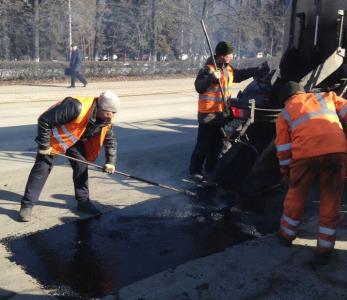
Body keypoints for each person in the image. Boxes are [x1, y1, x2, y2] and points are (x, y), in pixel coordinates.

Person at [19, 91, 120, 222]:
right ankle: (27, 205)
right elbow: (44, 120)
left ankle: (83, 203)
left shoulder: (106, 119)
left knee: (81, 166)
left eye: (115, 113)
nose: (112, 116)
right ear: (101, 107)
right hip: (53, 138)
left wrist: (110, 162)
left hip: (73, 140)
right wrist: (44, 146)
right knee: (42, 169)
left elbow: (110, 139)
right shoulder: (75, 106)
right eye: (110, 112)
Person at [275, 81, 347, 264]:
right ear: (302, 91)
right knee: (331, 199)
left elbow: (283, 148)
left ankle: (286, 235)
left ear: (285, 99)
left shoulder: (284, 114)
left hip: (305, 156)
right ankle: (324, 249)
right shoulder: (327, 96)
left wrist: (286, 172)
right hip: (336, 152)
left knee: (296, 195)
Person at [189, 41, 267, 181]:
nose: (232, 56)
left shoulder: (228, 69)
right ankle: (195, 170)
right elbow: (199, 86)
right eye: (229, 54)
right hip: (208, 115)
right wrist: (211, 79)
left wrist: (256, 70)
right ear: (221, 56)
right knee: (203, 145)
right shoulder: (208, 69)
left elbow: (239, 75)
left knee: (217, 146)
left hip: (222, 115)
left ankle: (210, 170)